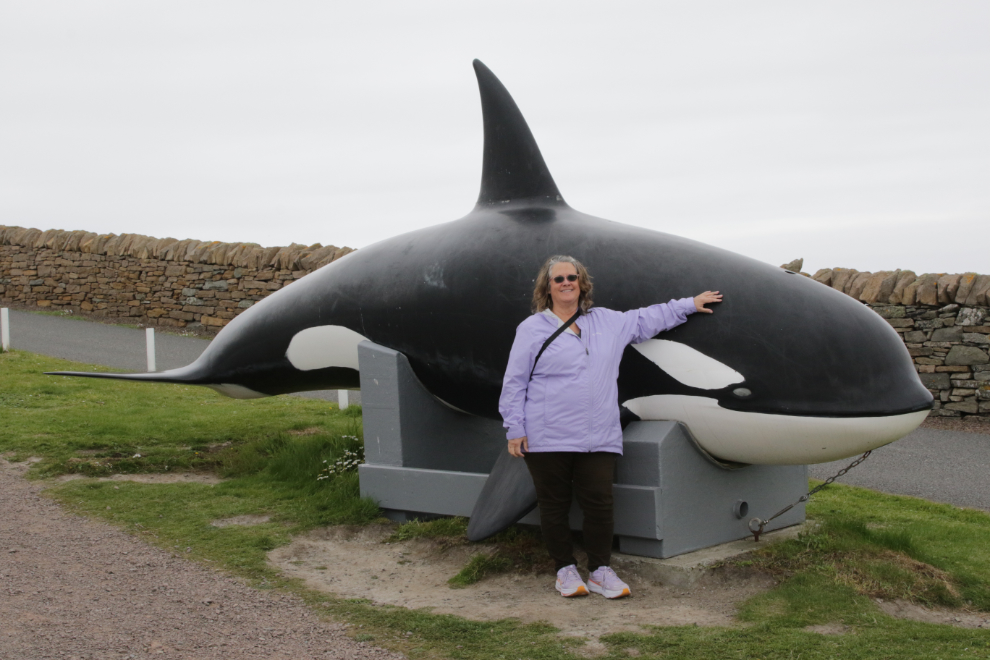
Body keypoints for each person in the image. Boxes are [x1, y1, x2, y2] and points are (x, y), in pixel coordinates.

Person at [499, 255, 721, 598]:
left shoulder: (607, 322)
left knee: (600, 503)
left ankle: (600, 570)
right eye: (558, 279)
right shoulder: (532, 329)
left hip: (597, 434)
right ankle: (564, 569)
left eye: (572, 277)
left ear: (582, 282)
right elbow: (515, 381)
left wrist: (690, 304)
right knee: (553, 504)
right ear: (547, 287)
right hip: (547, 434)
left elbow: (648, 318)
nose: (566, 283)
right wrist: (515, 427)